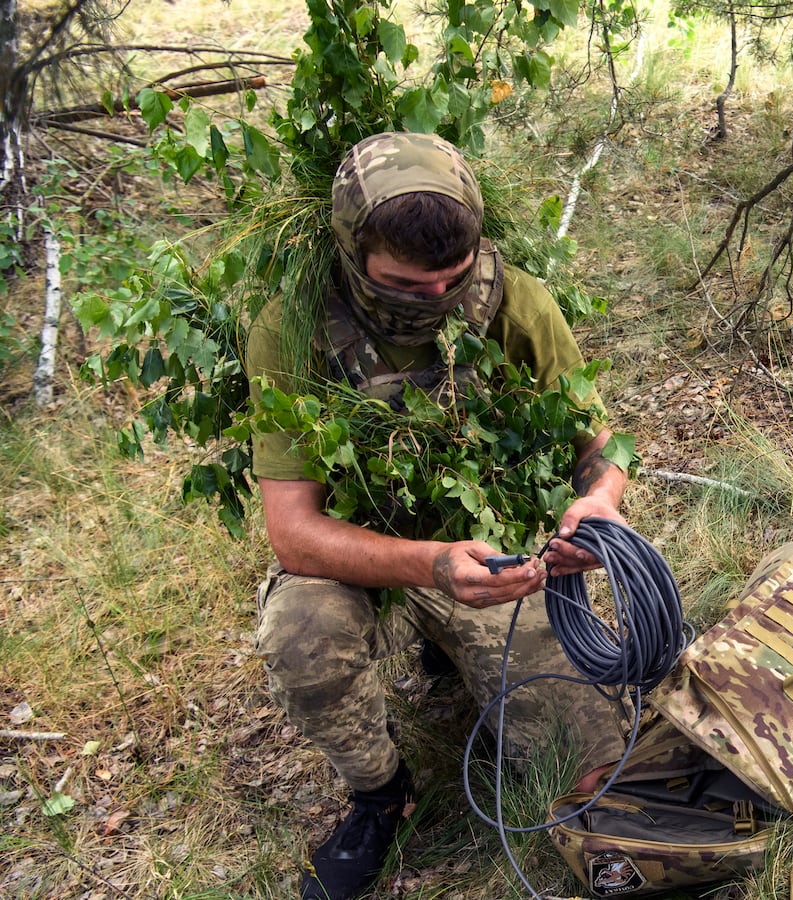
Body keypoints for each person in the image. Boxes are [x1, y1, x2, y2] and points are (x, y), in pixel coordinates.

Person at [244, 131, 629, 900]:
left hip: (497, 560)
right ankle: (383, 793)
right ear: (352, 253)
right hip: (371, 563)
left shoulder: (516, 300)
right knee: (302, 635)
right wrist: (428, 564)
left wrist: (597, 502)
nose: (435, 301)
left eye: (451, 282)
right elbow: (293, 531)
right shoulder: (292, 328)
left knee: (593, 760)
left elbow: (602, 445)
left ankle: (464, 665)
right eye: (405, 286)